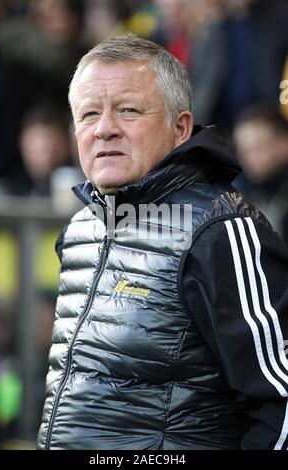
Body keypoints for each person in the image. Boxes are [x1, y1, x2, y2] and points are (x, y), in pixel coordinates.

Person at [37, 33, 288, 450]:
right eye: (88, 114)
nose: (104, 130)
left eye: (129, 111)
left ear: (180, 128)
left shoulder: (221, 231)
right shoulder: (81, 228)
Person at [233, 105, 288, 245]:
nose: (249, 158)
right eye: (244, 151)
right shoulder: (235, 194)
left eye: (258, 148)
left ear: (284, 145)